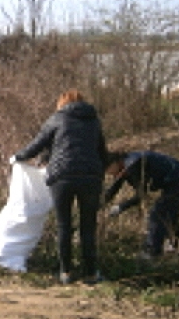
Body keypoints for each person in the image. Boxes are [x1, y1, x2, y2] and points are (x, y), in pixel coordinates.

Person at [11, 89, 107, 285]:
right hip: (90, 178)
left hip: (62, 178)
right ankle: (90, 273)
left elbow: (36, 145)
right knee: (88, 227)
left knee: (64, 226)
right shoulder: (94, 121)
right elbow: (103, 153)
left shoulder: (57, 119)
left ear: (61, 103)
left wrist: (18, 157)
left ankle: (66, 272)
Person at [104, 150, 179, 259]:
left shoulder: (133, 165)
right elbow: (113, 189)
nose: (108, 173)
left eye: (107, 169)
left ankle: (152, 252)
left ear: (114, 163)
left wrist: (120, 207)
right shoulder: (125, 165)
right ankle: (174, 245)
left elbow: (141, 195)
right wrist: (98, 205)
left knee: (157, 214)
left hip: (178, 179)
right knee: (169, 213)